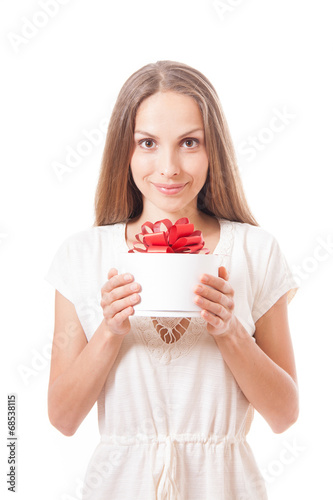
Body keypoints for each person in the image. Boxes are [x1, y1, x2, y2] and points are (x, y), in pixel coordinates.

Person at [45, 60, 299, 500]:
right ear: (123, 150)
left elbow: (284, 414)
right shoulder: (82, 256)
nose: (169, 167)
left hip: (225, 487)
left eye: (189, 142)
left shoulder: (255, 252)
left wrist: (229, 331)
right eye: (147, 142)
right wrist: (110, 330)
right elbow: (63, 418)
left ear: (212, 149)